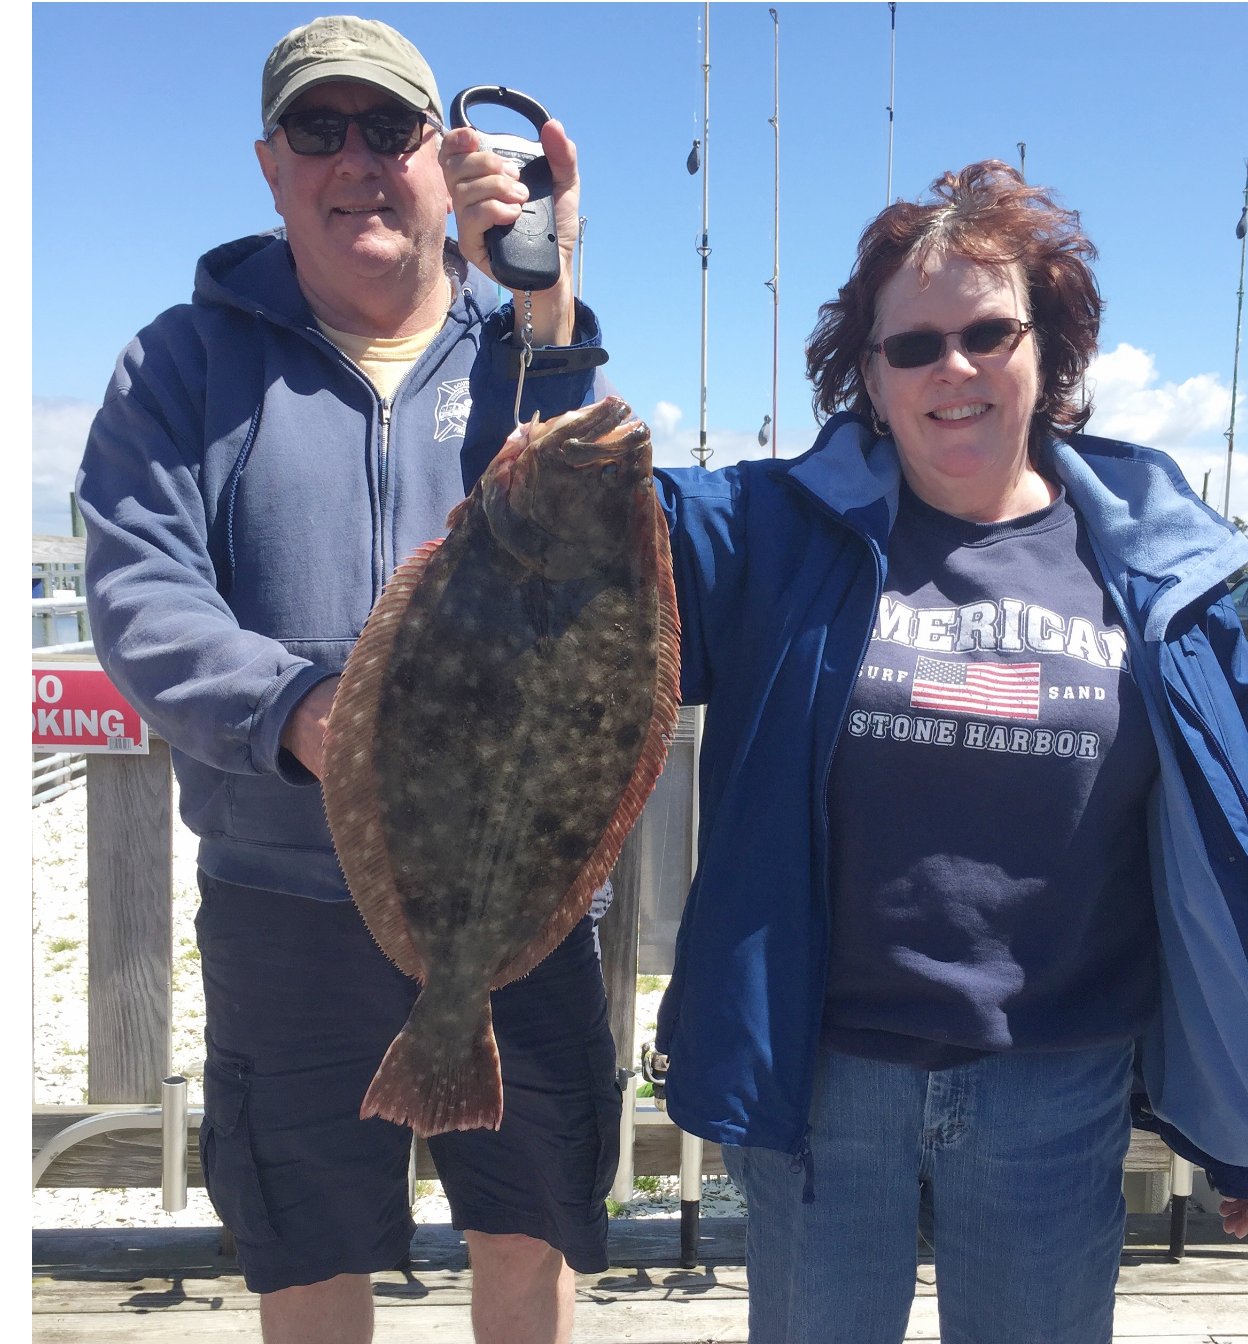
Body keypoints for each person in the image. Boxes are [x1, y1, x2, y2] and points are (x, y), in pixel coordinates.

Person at [461, 160, 1248, 1344]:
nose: (956, 368)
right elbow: (549, 523)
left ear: (1051, 349)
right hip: (825, 1087)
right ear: (868, 378)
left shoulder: (1163, 565)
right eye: (914, 347)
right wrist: (544, 310)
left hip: (1058, 1080)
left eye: (990, 331)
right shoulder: (771, 531)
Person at [76, 16, 616, 1344]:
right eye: (319, 131)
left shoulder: (518, 350)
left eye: (391, 130)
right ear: (270, 166)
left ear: (443, 158)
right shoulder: (181, 365)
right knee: (308, 1250)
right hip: (289, 897)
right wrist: (304, 715)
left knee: (530, 1223)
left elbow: (603, 567)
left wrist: (544, 296)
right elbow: (139, 589)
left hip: (520, 892)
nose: (357, 162)